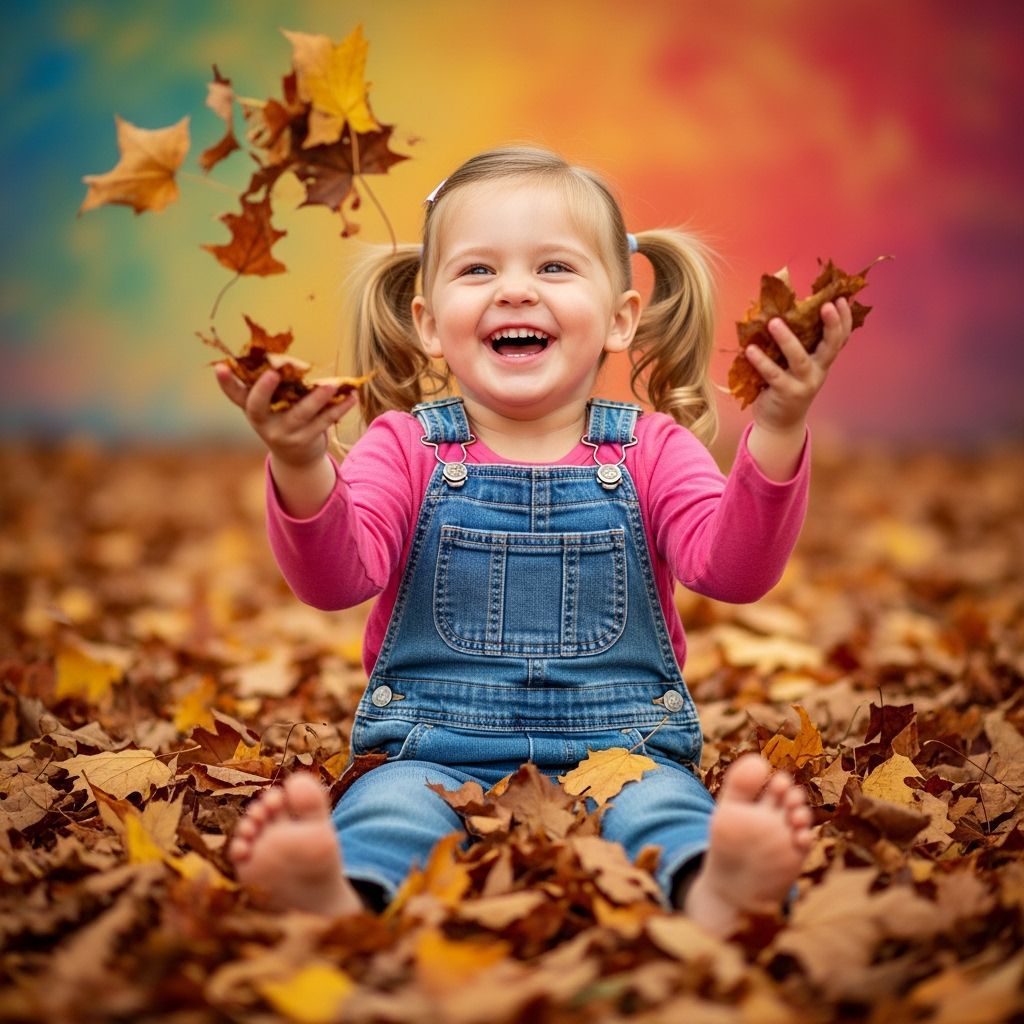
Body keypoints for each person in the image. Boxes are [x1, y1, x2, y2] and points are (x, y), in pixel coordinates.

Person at [216, 146, 852, 936]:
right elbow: (336, 581)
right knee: (388, 810)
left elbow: (734, 571)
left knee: (665, 805)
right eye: (478, 271)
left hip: (623, 747)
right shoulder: (404, 447)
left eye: (554, 267)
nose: (515, 289)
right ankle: (342, 894)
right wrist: (299, 459)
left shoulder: (651, 450)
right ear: (428, 323)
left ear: (620, 317)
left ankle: (715, 886)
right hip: (429, 748)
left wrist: (780, 427)